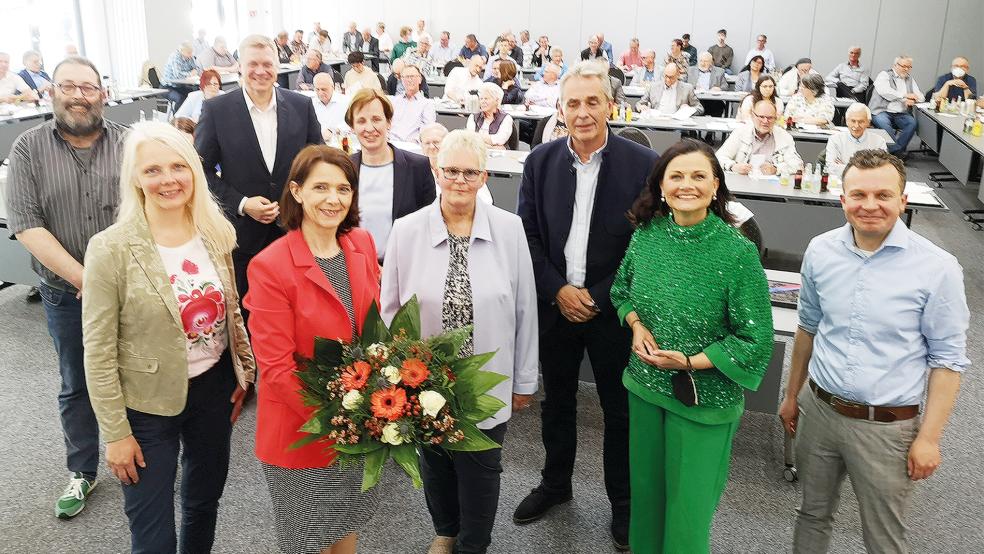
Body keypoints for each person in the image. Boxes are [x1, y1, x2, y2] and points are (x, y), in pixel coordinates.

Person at [780, 149, 969, 553]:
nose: (870, 205)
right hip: (819, 410)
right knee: (811, 514)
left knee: (883, 537)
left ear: (903, 200)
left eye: (883, 195)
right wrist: (792, 395)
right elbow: (808, 328)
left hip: (886, 427)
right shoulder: (820, 251)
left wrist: (929, 438)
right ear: (842, 199)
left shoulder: (937, 267)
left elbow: (947, 362)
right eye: (859, 195)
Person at [82, 121, 255, 553]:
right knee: (152, 529)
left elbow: (232, 310)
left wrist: (243, 372)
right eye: (152, 170)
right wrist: (115, 433)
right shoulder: (110, 248)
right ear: (136, 179)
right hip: (145, 405)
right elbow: (98, 351)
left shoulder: (215, 232)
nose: (168, 180)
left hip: (213, 391)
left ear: (194, 170)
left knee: (203, 502)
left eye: (178, 166)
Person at [514, 61, 660, 552]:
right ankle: (555, 484)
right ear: (560, 109)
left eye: (592, 101)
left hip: (614, 310)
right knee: (557, 401)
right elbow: (527, 235)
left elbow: (646, 246)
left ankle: (624, 502)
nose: (582, 112)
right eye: (572, 103)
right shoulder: (539, 162)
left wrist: (597, 296)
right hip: (555, 305)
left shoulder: (643, 165)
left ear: (610, 105)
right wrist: (558, 289)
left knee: (620, 410)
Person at [611, 139, 774, 553]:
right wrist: (635, 324)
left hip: (704, 401)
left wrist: (690, 361)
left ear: (716, 185)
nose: (687, 185)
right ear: (661, 186)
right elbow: (620, 290)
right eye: (677, 176)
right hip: (645, 388)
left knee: (687, 516)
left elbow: (755, 340)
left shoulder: (737, 252)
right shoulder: (647, 235)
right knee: (646, 503)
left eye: (699, 176)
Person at [381, 129, 537, 554]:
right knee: (436, 462)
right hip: (425, 379)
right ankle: (446, 530)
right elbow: (390, 310)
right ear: (437, 171)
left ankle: (473, 544)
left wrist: (524, 379)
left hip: (486, 378)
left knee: (481, 466)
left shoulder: (509, 229)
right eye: (451, 170)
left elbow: (525, 308)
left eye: (470, 172)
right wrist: (395, 378)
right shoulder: (407, 230)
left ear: (484, 177)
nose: (460, 181)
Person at [245, 145, 383, 554]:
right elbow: (276, 367)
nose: (333, 199)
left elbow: (372, 330)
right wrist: (339, 421)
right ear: (297, 191)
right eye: (320, 187)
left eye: (343, 189)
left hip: (358, 423)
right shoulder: (270, 265)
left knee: (346, 526)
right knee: (309, 540)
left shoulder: (361, 243)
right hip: (302, 431)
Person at [4, 55, 126, 519]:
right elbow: (26, 224)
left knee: (139, 373)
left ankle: (145, 455)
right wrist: (86, 279)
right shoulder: (28, 148)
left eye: (88, 87)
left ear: (102, 94)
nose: (79, 96)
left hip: (130, 288)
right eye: (68, 86)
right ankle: (82, 470)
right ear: (52, 91)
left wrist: (113, 280)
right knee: (77, 381)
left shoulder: (129, 143)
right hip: (65, 293)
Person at [195, 35, 323, 304]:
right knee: (251, 311)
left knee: (301, 307)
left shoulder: (301, 106)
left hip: (296, 230)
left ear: (277, 66)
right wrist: (242, 203)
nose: (260, 71)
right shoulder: (217, 110)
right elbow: (200, 172)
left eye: (267, 64)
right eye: (253, 64)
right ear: (240, 67)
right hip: (244, 237)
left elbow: (319, 163)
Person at [346, 89, 436, 261]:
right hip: (357, 267)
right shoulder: (344, 169)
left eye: (376, 119)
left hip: (405, 266)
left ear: (389, 122)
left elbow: (430, 225)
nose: (369, 128)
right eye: (361, 121)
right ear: (352, 127)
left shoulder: (418, 167)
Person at [717, 99, 803, 175]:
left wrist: (776, 169)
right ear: (753, 116)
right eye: (761, 117)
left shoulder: (784, 136)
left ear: (775, 119)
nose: (765, 121)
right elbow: (718, 157)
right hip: (742, 181)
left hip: (771, 184)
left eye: (770, 118)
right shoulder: (740, 132)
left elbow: (798, 165)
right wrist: (733, 166)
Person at [420, 123, 493, 204]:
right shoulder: (417, 171)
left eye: (436, 142)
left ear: (447, 143)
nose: (432, 147)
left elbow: (486, 201)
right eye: (427, 143)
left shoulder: (466, 166)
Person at [868, 56, 921, 157]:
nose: (906, 69)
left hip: (901, 113)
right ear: (895, 65)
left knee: (912, 123)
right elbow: (885, 92)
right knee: (885, 125)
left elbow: (920, 96)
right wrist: (905, 96)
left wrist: (914, 99)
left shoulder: (910, 79)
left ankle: (895, 152)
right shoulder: (884, 75)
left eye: (909, 67)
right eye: (904, 66)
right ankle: (897, 152)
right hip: (881, 111)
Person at [824, 103, 888, 176]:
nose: (856, 126)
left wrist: (846, 167)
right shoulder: (835, 140)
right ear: (847, 121)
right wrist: (867, 168)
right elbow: (831, 168)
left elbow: (880, 169)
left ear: (868, 123)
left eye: (861, 122)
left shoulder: (879, 142)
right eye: (853, 121)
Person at [390, 64, 436, 143]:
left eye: (412, 76)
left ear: (420, 79)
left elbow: (428, 130)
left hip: (413, 146)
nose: (409, 80)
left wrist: (414, 142)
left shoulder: (427, 104)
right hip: (391, 143)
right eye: (406, 77)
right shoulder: (395, 101)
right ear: (401, 80)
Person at [636, 64, 704, 116]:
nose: (668, 80)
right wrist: (641, 107)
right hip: (656, 122)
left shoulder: (687, 88)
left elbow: (700, 108)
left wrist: (689, 110)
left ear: (677, 75)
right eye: (666, 76)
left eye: (671, 77)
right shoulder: (653, 87)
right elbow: (639, 104)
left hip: (678, 124)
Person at [466, 82, 515, 149]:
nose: (483, 102)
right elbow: (470, 138)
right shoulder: (473, 116)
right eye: (481, 99)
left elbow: (500, 140)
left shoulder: (506, 118)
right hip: (477, 153)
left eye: (486, 99)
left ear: (497, 100)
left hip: (498, 155)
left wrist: (477, 138)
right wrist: (491, 147)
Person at [161, 42, 200, 107]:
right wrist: (190, 74)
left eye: (191, 52)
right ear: (181, 51)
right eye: (189, 53)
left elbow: (196, 68)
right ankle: (177, 114)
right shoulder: (175, 57)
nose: (191, 55)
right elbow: (178, 75)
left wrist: (194, 71)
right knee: (180, 99)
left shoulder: (190, 57)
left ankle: (193, 113)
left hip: (180, 85)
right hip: (168, 86)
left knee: (196, 95)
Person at [688, 52, 728, 117]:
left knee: (718, 105)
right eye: (701, 61)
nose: (702, 63)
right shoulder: (690, 70)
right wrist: (693, 88)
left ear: (710, 62)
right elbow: (683, 84)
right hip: (695, 98)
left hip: (712, 99)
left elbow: (725, 86)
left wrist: (719, 88)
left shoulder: (719, 71)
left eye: (705, 61)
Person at [311, 72, 350, 137]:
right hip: (319, 141)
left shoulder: (345, 101)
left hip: (340, 139)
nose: (320, 93)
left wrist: (334, 130)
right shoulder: (311, 104)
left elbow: (352, 123)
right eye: (317, 89)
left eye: (324, 89)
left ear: (332, 87)